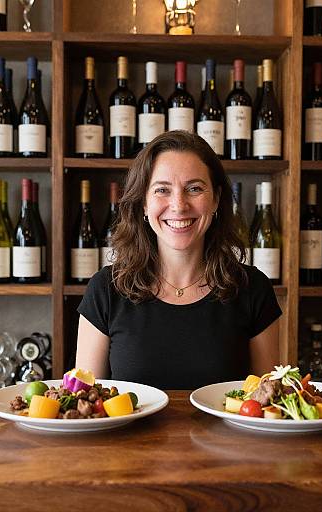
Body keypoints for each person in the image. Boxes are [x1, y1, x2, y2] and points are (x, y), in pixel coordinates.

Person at [76, 131, 281, 389]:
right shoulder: (105, 289)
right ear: (143, 203)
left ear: (216, 199)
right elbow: (84, 403)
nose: (178, 205)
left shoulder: (253, 288)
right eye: (162, 190)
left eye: (194, 188)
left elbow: (271, 406)